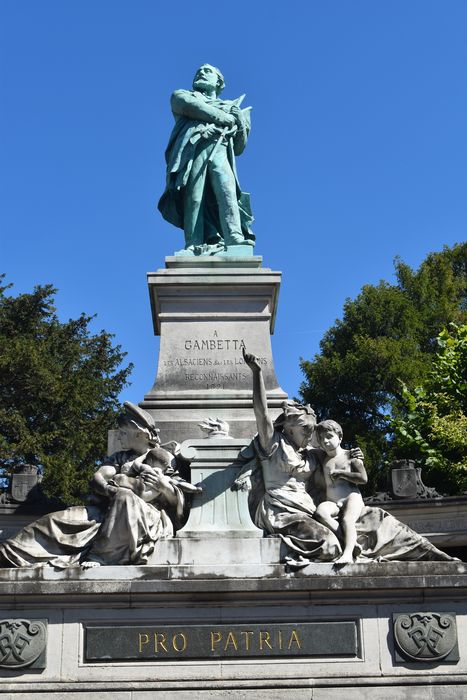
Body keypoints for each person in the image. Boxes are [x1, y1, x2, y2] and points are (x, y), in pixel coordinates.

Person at [239, 348, 456, 565]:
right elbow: (262, 413)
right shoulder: (273, 444)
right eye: (306, 429)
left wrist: (354, 456)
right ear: (289, 427)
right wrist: (257, 373)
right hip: (283, 511)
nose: (311, 434)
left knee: (379, 520)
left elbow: (339, 455)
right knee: (330, 547)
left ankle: (431, 554)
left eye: (312, 429)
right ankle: (350, 547)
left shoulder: (313, 455)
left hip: (312, 510)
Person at [0, 403, 199, 568]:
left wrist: (164, 486)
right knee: (55, 521)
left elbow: (177, 497)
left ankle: (101, 555)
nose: (119, 437)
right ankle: (11, 552)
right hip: (106, 510)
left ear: (138, 433)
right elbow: (98, 478)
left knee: (125, 498)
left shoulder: (162, 458)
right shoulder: (120, 457)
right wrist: (112, 488)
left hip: (145, 515)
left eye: (123, 433)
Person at [158, 64, 255, 256]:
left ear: (219, 83)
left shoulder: (231, 107)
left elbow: (239, 147)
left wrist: (239, 123)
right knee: (194, 197)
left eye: (207, 71)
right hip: (194, 151)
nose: (201, 72)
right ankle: (192, 244)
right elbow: (191, 106)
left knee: (226, 190)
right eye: (198, 71)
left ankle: (234, 237)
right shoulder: (182, 95)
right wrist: (224, 117)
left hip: (219, 148)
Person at [314, 420, 368, 564]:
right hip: (333, 501)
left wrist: (342, 474)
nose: (325, 441)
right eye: (321, 439)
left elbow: (363, 478)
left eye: (329, 437)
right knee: (320, 513)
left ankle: (348, 554)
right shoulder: (322, 457)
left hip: (351, 497)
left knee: (347, 520)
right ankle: (348, 540)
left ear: (340, 437)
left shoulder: (351, 455)